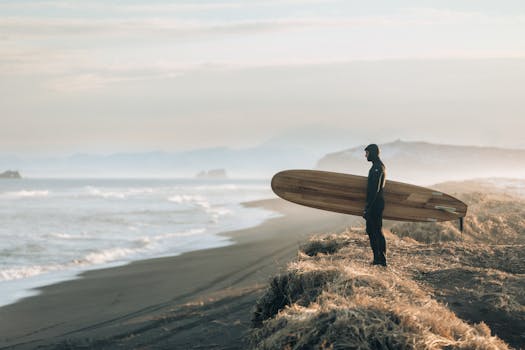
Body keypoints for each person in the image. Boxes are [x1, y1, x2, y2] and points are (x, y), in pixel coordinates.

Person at [363, 144, 387, 266]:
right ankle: (376, 259)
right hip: (374, 204)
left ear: (372, 153)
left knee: (377, 231)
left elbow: (375, 190)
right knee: (371, 231)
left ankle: (381, 260)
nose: (365, 155)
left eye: (366, 153)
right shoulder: (376, 166)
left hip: (376, 205)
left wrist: (368, 208)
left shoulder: (378, 168)